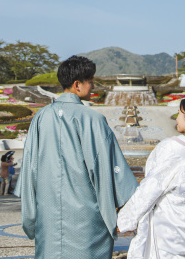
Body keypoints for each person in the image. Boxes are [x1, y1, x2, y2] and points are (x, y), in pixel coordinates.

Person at [17, 56, 138, 259]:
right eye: (90, 81)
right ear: (77, 84)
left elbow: (30, 165)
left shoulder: (41, 117)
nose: (92, 86)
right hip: (87, 217)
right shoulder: (93, 119)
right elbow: (110, 168)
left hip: (49, 216)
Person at [117, 96, 185, 259]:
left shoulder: (171, 148)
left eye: (179, 114)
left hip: (167, 235)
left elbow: (150, 188)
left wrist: (126, 219)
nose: (177, 118)